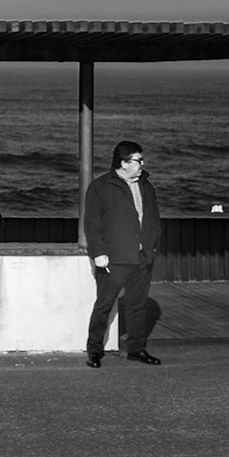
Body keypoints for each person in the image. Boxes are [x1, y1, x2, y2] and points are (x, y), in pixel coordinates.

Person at [82, 140, 163, 367]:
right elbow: (92, 223)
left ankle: (136, 349)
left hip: (142, 257)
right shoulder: (101, 186)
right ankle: (95, 350)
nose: (142, 164)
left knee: (138, 306)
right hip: (115, 259)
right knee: (104, 305)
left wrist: (152, 246)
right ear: (124, 162)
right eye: (138, 160)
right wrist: (98, 252)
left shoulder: (146, 186)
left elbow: (154, 219)